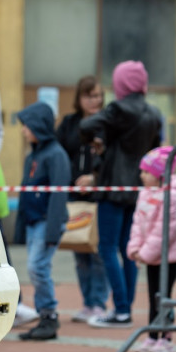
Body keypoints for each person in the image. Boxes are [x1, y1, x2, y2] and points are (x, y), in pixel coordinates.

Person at [80, 60, 162, 328]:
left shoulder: (117, 109)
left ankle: (121, 309)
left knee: (107, 248)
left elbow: (86, 126)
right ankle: (125, 308)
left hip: (113, 187)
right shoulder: (153, 113)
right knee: (129, 249)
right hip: (138, 188)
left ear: (121, 83)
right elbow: (155, 150)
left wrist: (99, 140)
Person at [127, 145, 176, 352]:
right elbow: (138, 223)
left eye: (147, 172)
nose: (142, 175)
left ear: (160, 174)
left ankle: (166, 338)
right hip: (151, 255)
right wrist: (135, 248)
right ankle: (153, 335)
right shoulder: (146, 194)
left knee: (164, 296)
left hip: (167, 256)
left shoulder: (173, 196)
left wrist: (145, 253)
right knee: (153, 296)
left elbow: (165, 230)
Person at [13, 101, 70, 340]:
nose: (24, 130)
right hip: (34, 221)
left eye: (27, 125)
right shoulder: (33, 155)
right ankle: (45, 316)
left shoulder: (56, 155)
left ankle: (49, 316)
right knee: (36, 268)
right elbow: (26, 191)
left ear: (39, 126)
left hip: (47, 222)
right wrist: (20, 226)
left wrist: (53, 231)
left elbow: (58, 195)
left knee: (37, 267)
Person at [56, 76, 109, 322]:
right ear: (79, 98)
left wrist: (94, 178)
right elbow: (60, 155)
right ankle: (88, 303)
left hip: (99, 196)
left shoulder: (108, 123)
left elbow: (111, 158)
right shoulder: (69, 123)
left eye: (98, 95)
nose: (94, 100)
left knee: (97, 252)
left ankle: (99, 303)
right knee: (79, 251)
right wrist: (72, 181)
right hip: (74, 196)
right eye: (89, 96)